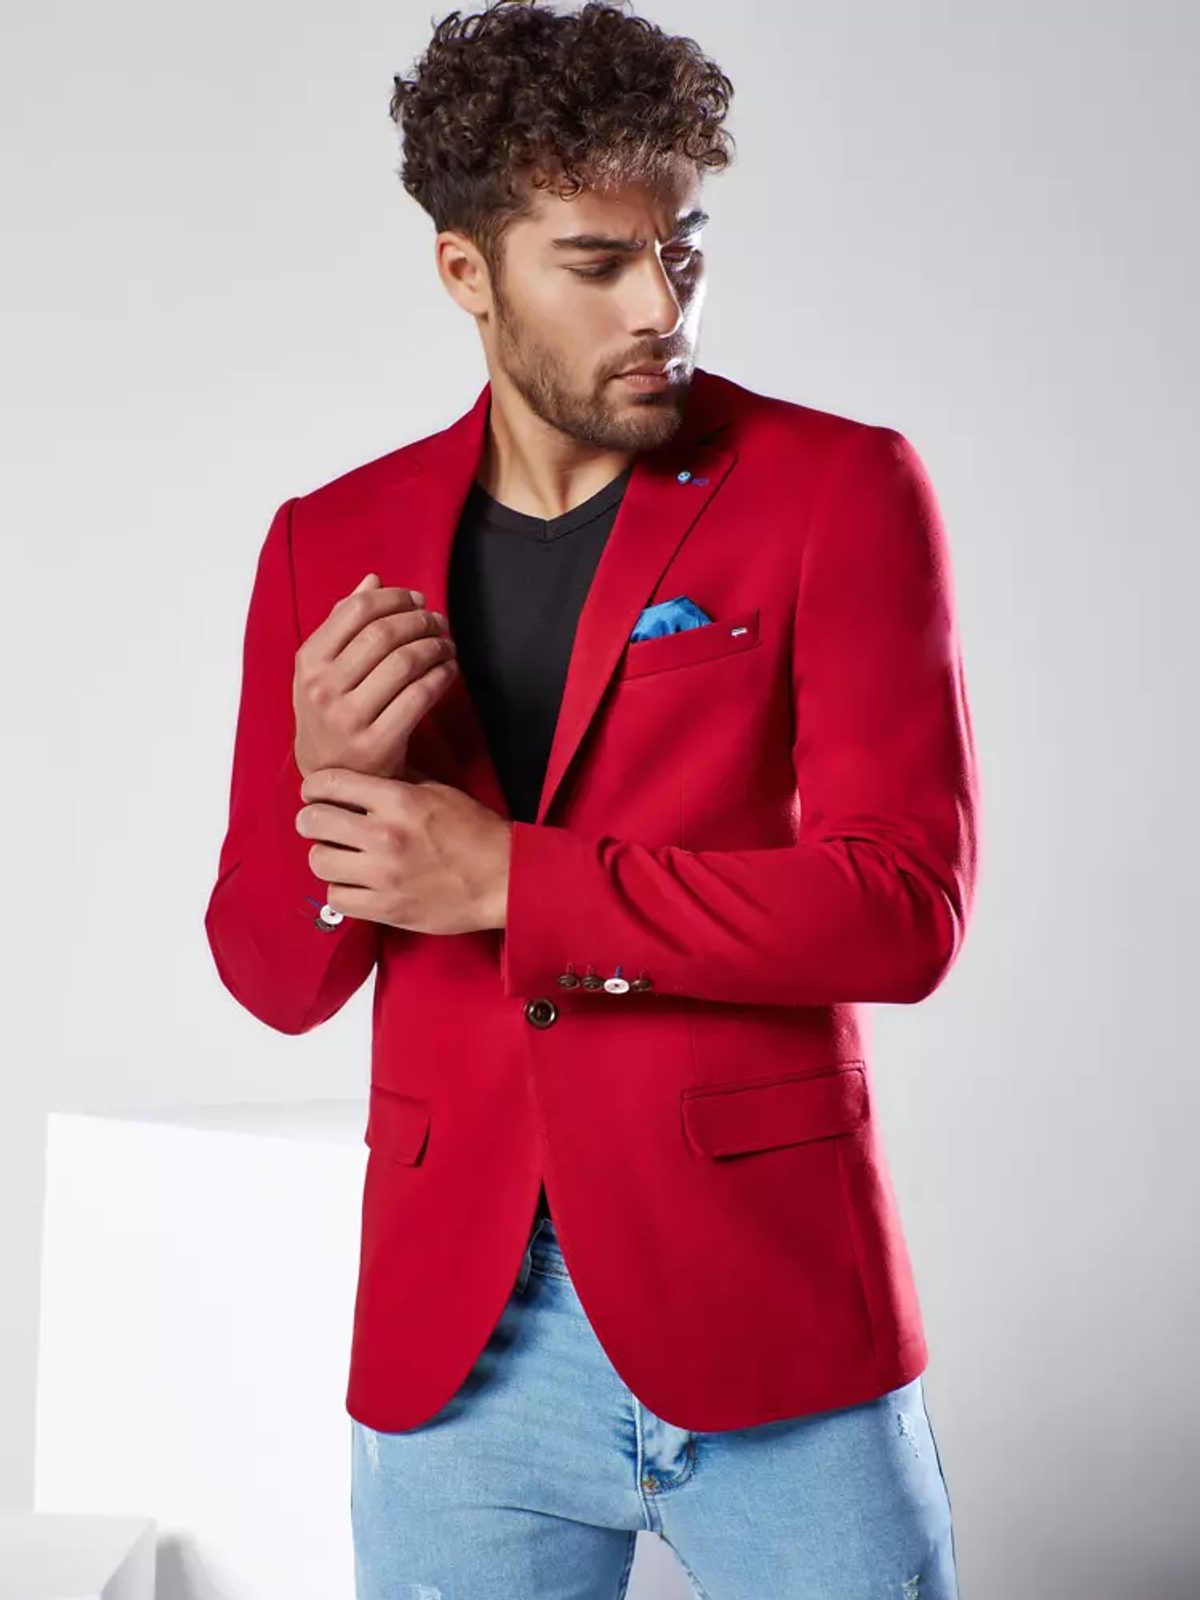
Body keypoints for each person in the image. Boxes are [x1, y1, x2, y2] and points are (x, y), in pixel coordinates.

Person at [204, 1, 980, 1594]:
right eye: (598, 262)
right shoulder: (325, 542)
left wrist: (516, 879)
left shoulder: (839, 489)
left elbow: (903, 909)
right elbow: (273, 977)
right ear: (466, 271)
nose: (660, 308)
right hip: (464, 1352)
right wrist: (329, 781)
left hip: (773, 1313)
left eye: (682, 249)